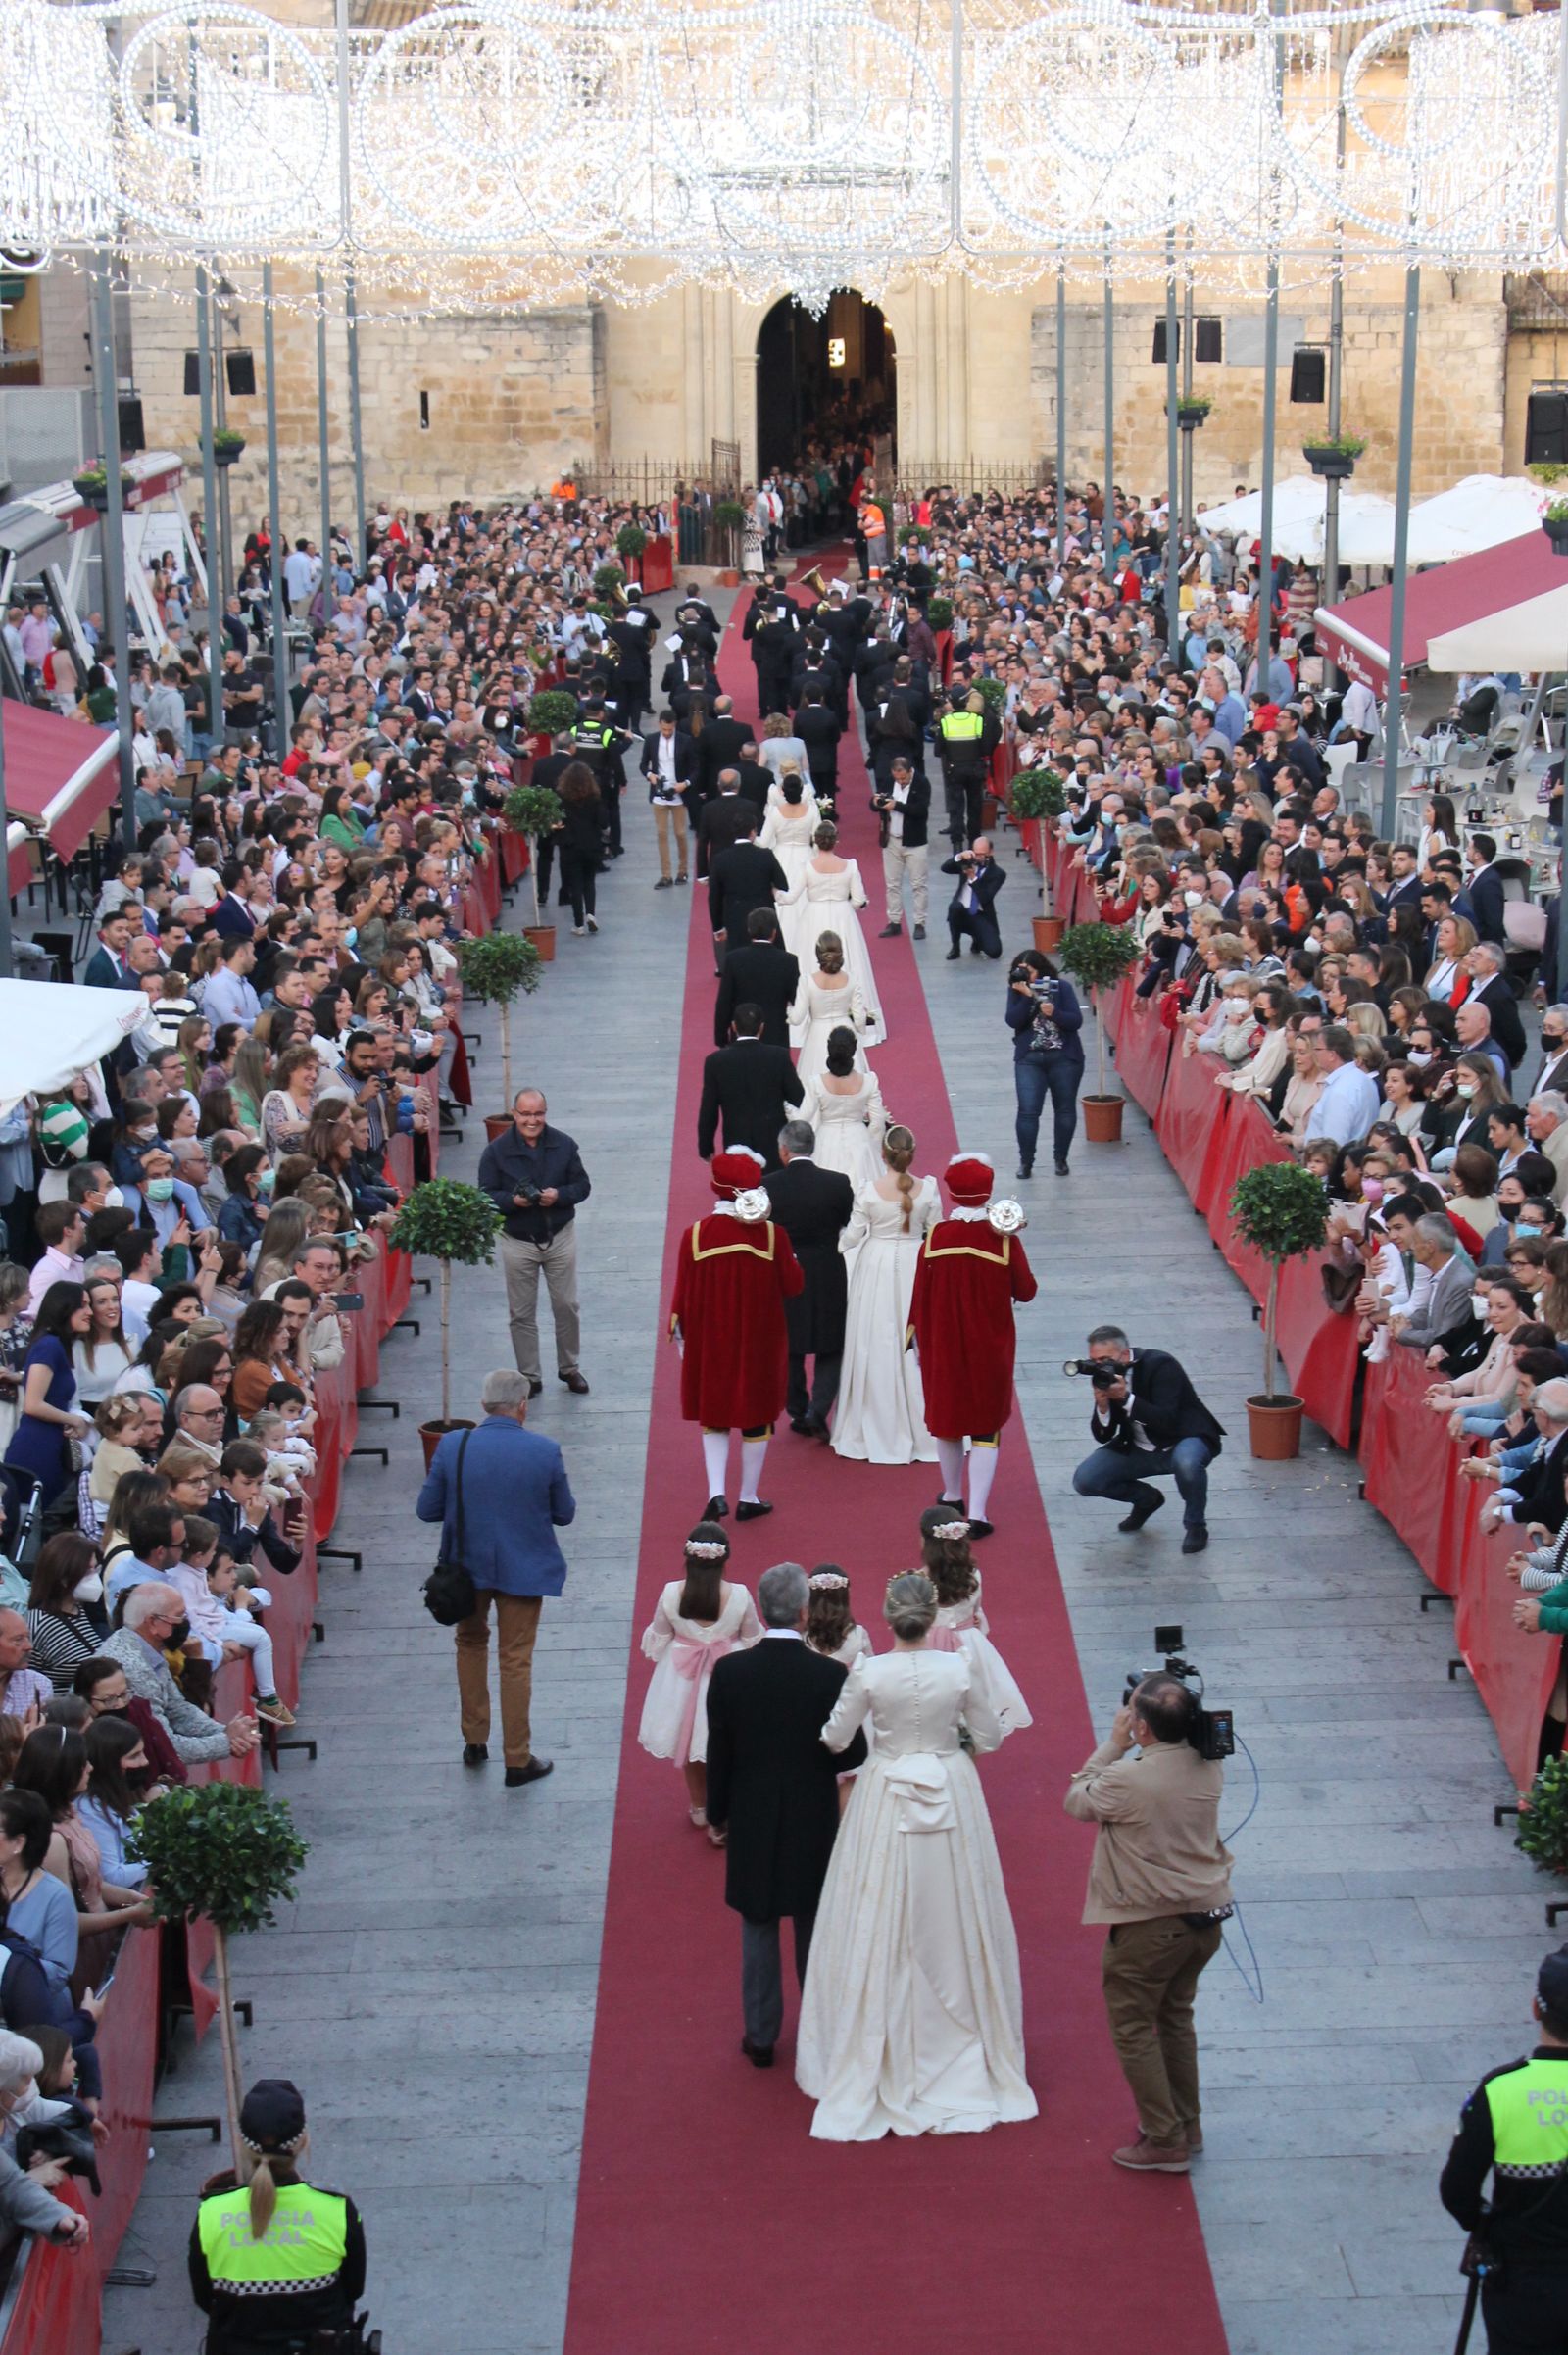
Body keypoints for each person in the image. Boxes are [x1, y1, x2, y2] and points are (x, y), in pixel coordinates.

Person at [797, 1571, 1036, 2140]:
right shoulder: (958, 1668)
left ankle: (882, 2042)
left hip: (886, 1792)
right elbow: (992, 1735)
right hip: (951, 1787)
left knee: (880, 1907)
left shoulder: (869, 1672)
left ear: (887, 1618)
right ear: (931, 1618)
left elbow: (834, 1737)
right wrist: (953, 1743)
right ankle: (964, 2035)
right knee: (958, 1904)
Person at [1064, 1672, 1234, 2172]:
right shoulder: (1208, 1766)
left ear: (1141, 1727)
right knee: (1176, 2017)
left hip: (1151, 1924)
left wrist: (1112, 1746)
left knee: (1134, 2026)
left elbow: (1076, 1801)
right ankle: (1187, 2121)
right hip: (1205, 1916)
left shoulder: (1128, 1778)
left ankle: (1164, 2139)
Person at [703, 1561, 867, 2070]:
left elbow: (719, 1752)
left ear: (760, 1607)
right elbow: (851, 1753)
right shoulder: (827, 1675)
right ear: (802, 1611)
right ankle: (821, 2032)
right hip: (813, 1818)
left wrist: (718, 1814)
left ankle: (760, 2036)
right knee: (814, 1927)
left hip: (752, 1818)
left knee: (758, 1926)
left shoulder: (730, 1672)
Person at [415, 1368, 573, 1788]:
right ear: (523, 1406)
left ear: (484, 1405)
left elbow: (427, 1510)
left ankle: (474, 1740)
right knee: (515, 1659)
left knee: (469, 1642)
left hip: (466, 1569)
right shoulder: (545, 1450)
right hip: (524, 1567)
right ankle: (517, 1758)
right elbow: (565, 1513)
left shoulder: (453, 1446)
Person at [1442, 1945, 1568, 2354]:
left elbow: (1457, 2191)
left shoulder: (1500, 2091)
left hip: (1524, 2286)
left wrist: (1486, 2226)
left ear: (1535, 2007)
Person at [906, 1154, 1037, 1537]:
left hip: (943, 1343)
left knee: (948, 1422)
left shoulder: (936, 1238)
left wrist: (916, 1341)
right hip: (988, 1346)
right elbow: (1026, 1291)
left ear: (951, 1192)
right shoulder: (1002, 1240)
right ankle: (978, 1513)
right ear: (988, 1191)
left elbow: (919, 1294)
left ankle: (951, 1494)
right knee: (984, 1427)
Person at [669, 1151, 804, 1520]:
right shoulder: (773, 1236)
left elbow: (682, 1294)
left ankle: (716, 1492)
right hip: (759, 1338)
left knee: (715, 1414)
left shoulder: (695, 1235)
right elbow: (793, 1286)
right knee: (756, 1416)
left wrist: (684, 1338)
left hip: (712, 1337)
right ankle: (748, 1495)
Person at [190, 2078, 367, 2354]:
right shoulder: (337, 2210)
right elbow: (353, 2290)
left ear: (242, 2143)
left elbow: (205, 2298)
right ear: (303, 2142)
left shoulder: (210, 2213)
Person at [637, 1522, 761, 1838]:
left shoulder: (671, 1592)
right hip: (729, 1676)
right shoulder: (739, 1595)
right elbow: (752, 1639)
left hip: (683, 1677)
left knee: (689, 1738)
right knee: (730, 1743)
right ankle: (727, 1808)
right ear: (725, 1558)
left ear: (688, 1557)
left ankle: (699, 1806)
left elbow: (659, 1638)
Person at [831, 1123, 939, 1467]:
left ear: (883, 1155)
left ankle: (876, 1421)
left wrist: (832, 1246)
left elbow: (853, 1235)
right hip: (915, 1264)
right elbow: (936, 1233)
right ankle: (926, 1421)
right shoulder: (929, 1190)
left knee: (874, 1340)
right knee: (917, 1342)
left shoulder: (869, 1192)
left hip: (875, 1266)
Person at [1069, 1323, 1227, 1556]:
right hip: (1138, 1447)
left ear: (1124, 1354)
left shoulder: (1161, 1365)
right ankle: (1147, 1500)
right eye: (1095, 1361)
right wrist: (1103, 1406)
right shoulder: (1106, 1376)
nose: (1099, 1367)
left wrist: (1126, 1397)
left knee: (1187, 1463)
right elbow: (1102, 1435)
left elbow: (1167, 1421)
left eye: (1105, 1359)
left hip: (1182, 1438)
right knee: (1086, 1479)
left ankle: (1196, 1526)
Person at [475, 1088, 591, 1398]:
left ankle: (569, 1368)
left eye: (538, 1113)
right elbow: (485, 1195)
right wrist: (512, 1201)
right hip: (517, 1239)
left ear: (545, 1113)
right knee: (522, 1312)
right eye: (526, 1114)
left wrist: (560, 1195)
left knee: (567, 1305)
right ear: (514, 1114)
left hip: (559, 1235)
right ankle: (530, 1375)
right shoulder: (496, 1152)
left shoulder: (564, 1145)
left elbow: (582, 1185)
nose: (532, 1120)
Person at [99, 1583, 262, 1765]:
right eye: (178, 1616)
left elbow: (177, 1708)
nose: (185, 1622)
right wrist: (227, 1741)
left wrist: (225, 1732)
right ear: (152, 1622)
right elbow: (164, 1744)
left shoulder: (146, 1648)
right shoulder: (133, 1667)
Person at [762, 1120, 855, 1439]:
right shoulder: (838, 1183)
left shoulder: (769, 1185)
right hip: (829, 1268)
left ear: (784, 1151)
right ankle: (820, 1407)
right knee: (832, 1342)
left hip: (788, 1270)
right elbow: (846, 1221)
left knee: (790, 1342)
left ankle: (798, 1410)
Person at [1005, 948, 1085, 1178]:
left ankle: (1061, 1158)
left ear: (1040, 971)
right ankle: (1026, 1162)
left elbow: (1075, 1021)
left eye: (1028, 971)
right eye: (1019, 970)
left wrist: (1054, 1013)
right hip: (1029, 1059)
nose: (1023, 976)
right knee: (1028, 1111)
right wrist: (1027, 998)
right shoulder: (1017, 991)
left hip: (1063, 1057)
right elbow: (1012, 1020)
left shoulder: (1062, 988)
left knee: (1065, 1109)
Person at [696, 1004, 803, 1165]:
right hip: (773, 1144)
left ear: (733, 1026)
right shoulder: (778, 1056)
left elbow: (708, 1111)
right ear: (761, 1027)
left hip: (736, 1144)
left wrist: (706, 1147)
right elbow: (798, 1097)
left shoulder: (715, 1062)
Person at [712, 908, 798, 1051]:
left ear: (748, 930)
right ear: (774, 932)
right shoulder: (789, 961)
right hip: (776, 1037)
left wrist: (721, 1037)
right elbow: (795, 999)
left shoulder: (734, 959)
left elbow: (724, 1002)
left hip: (742, 1034)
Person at [874, 752, 931, 941]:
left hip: (915, 842)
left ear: (910, 771)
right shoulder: (888, 781)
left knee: (918, 884)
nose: (900, 781)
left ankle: (919, 923)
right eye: (897, 778)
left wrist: (896, 805)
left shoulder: (922, 783)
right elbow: (875, 802)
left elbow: (921, 811)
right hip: (891, 840)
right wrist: (875, 803)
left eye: (903, 778)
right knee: (892, 884)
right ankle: (894, 921)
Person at [641, 710, 696, 888]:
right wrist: (650, 775)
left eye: (669, 730)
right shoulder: (650, 740)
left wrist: (685, 784)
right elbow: (643, 764)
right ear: (659, 725)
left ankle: (683, 871)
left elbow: (696, 768)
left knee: (680, 833)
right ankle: (666, 875)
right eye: (664, 729)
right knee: (661, 834)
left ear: (675, 725)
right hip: (658, 795)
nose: (666, 733)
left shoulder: (685, 741)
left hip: (679, 793)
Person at [942, 836, 1005, 961]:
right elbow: (945, 868)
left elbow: (985, 898)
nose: (978, 858)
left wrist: (973, 878)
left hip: (981, 914)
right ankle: (955, 946)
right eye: (976, 854)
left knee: (994, 951)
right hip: (961, 911)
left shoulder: (998, 873)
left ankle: (978, 939)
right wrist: (959, 856)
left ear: (990, 852)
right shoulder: (967, 862)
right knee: (954, 906)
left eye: (982, 854)